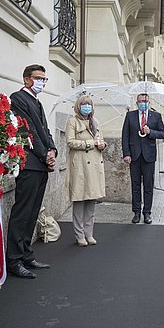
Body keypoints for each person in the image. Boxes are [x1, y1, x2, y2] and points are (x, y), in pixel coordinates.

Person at [6, 64, 57, 279]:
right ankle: (14, 259)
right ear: (27, 79)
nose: (42, 83)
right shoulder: (18, 98)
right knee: (23, 212)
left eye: (44, 79)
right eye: (38, 78)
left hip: (41, 164)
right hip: (29, 164)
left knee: (33, 211)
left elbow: (44, 130)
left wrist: (52, 149)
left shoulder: (37, 101)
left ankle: (26, 254)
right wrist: (44, 153)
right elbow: (27, 130)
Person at [66, 95, 106, 246]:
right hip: (80, 165)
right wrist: (90, 143)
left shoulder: (95, 122)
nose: (87, 107)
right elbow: (70, 142)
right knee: (80, 199)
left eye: (89, 104)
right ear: (78, 106)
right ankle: (79, 234)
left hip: (95, 164)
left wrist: (102, 145)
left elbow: (100, 139)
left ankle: (89, 233)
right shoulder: (72, 121)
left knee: (91, 199)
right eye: (84, 104)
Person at [122, 93, 164, 224]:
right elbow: (125, 136)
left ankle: (147, 212)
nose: (143, 103)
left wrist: (150, 132)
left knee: (148, 185)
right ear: (137, 102)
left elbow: (162, 133)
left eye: (145, 101)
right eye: (140, 101)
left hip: (149, 156)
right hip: (134, 156)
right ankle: (136, 212)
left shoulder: (156, 116)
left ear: (149, 103)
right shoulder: (130, 116)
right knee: (135, 185)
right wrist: (126, 154)